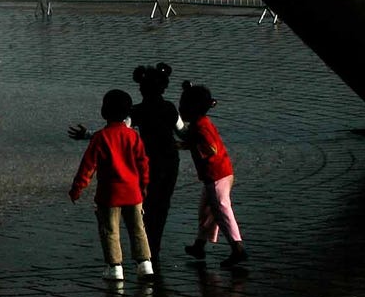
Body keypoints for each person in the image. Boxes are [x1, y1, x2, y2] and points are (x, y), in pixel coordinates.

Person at [69, 64, 182, 247]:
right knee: (162, 204)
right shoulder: (170, 108)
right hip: (170, 162)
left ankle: (148, 245)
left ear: (142, 89)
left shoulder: (136, 111)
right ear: (163, 87)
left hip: (149, 161)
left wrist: (88, 134)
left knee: (148, 204)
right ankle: (154, 246)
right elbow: (182, 132)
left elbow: (116, 132)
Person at [69, 88, 153, 283]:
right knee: (138, 228)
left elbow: (88, 166)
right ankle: (145, 264)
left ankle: (115, 267)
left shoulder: (101, 137)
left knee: (110, 230)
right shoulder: (133, 136)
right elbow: (143, 162)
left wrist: (77, 188)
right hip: (133, 193)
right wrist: (145, 184)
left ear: (104, 112)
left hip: (109, 194)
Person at [181, 81, 247, 268]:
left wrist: (191, 143)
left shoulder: (200, 127)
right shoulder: (201, 123)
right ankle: (199, 245)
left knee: (221, 210)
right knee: (207, 211)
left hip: (216, 175)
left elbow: (211, 148)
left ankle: (237, 248)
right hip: (219, 174)